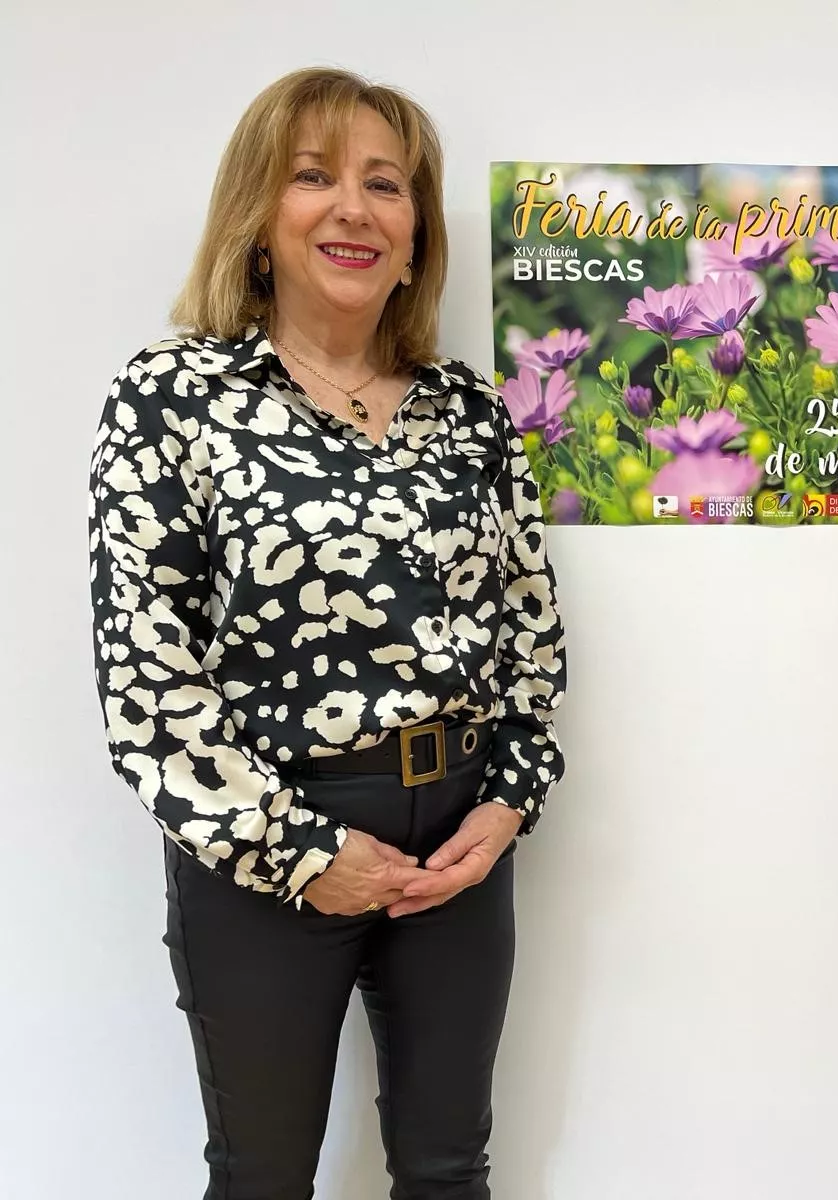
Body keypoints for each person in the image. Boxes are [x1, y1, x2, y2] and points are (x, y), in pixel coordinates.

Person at [88, 67, 565, 1198]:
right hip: (264, 848)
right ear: (259, 219)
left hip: (457, 842)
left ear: (414, 236)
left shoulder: (468, 412)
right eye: (315, 177)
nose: (353, 208)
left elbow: (527, 634)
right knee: (262, 1178)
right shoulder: (173, 396)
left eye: (385, 186)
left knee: (449, 1170)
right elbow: (147, 683)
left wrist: (507, 801)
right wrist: (305, 853)